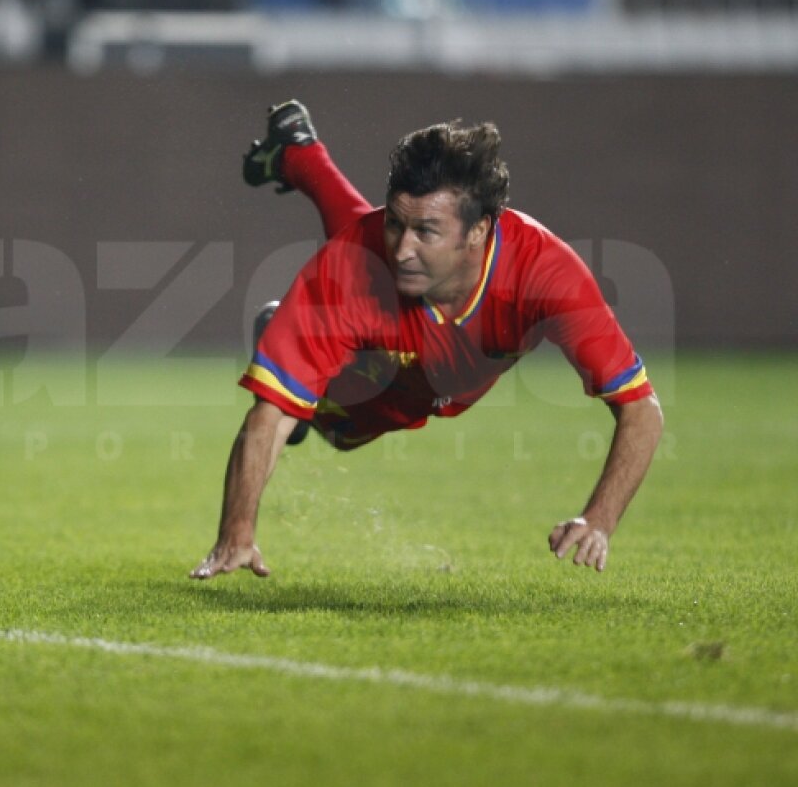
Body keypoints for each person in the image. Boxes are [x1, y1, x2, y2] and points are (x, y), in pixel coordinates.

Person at [190, 101, 663, 580]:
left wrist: (598, 520)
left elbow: (641, 408)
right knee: (332, 417)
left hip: (437, 372)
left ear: (478, 230)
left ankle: (299, 153)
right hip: (403, 364)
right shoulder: (356, 261)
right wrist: (237, 532)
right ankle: (299, 366)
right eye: (395, 221)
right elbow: (270, 413)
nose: (403, 246)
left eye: (427, 230)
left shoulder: (545, 275)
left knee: (363, 266)